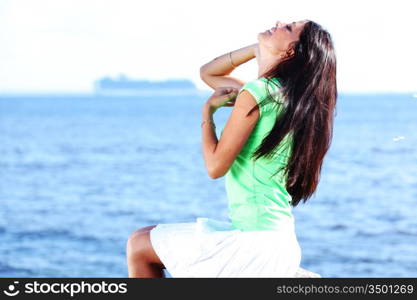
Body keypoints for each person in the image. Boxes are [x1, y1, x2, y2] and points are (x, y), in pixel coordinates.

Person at [126, 19, 337, 278]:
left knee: (139, 246)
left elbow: (215, 167)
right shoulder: (286, 99)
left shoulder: (257, 93)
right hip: (278, 243)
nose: (279, 22)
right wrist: (261, 48)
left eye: (289, 27)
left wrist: (208, 114)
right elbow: (208, 73)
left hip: (254, 245)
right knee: (142, 238)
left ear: (290, 51)